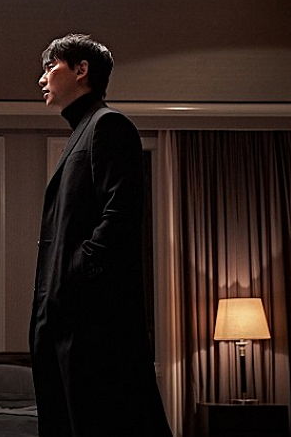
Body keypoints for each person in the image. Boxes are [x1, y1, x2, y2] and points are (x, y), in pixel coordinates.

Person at [30, 34, 172, 436]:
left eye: (50, 67)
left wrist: (75, 274)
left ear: (81, 70)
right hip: (68, 317)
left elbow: (120, 216)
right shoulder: (82, 131)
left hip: (91, 322)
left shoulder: (108, 125)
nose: (42, 78)